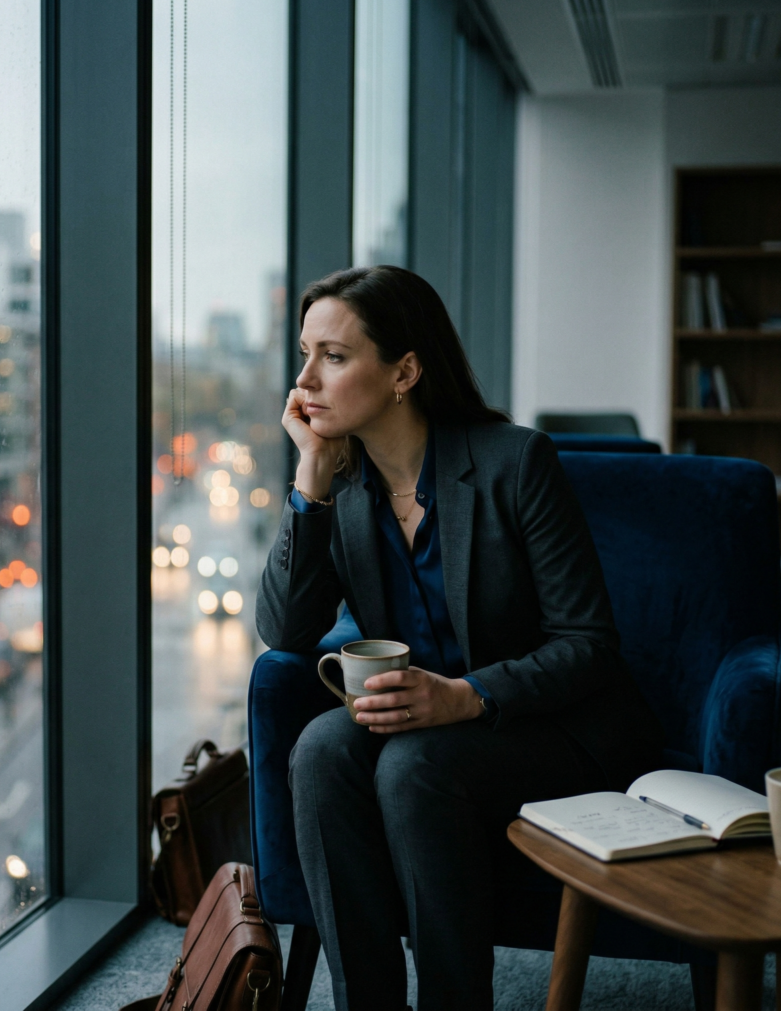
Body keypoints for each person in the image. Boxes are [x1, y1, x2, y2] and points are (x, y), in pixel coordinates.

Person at [255, 266, 662, 1011]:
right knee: (317, 749)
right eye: (305, 353)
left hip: (554, 729)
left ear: (404, 371)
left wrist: (465, 698)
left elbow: (589, 644)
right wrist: (308, 480)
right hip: (423, 724)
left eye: (334, 357)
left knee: (413, 767)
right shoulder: (342, 485)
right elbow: (285, 632)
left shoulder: (515, 462)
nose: (305, 379)